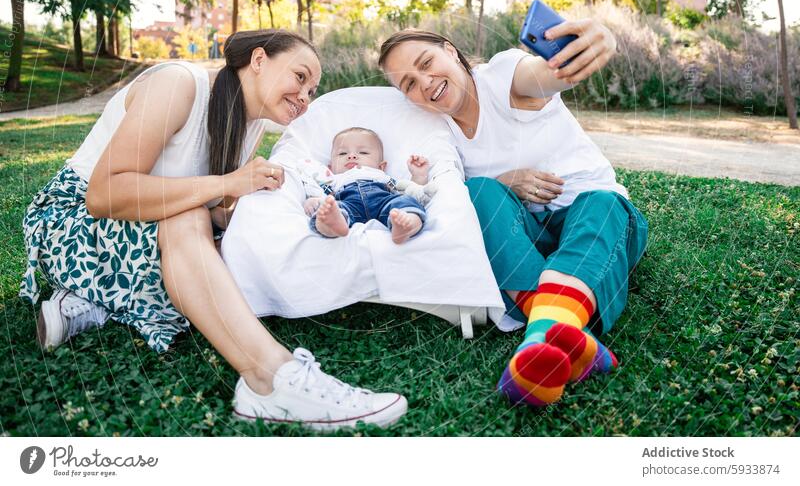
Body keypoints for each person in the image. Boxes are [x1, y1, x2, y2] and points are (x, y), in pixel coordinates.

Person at [20, 29, 408, 430]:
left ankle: (98, 299)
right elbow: (104, 194)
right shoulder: (178, 84)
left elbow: (210, 206)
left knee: (236, 247)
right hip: (73, 224)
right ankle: (271, 377)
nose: (306, 99)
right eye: (300, 77)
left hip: (140, 229)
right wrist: (227, 185)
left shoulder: (249, 126)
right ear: (259, 60)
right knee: (189, 223)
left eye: (312, 90)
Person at [378, 22, 648, 408]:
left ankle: (540, 334)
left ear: (451, 51)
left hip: (596, 222)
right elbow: (458, 197)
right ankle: (566, 334)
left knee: (599, 203)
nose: (424, 82)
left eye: (427, 62)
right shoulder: (439, 134)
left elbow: (546, 75)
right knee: (476, 193)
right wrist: (503, 181)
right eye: (408, 83)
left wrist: (588, 48)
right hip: (529, 240)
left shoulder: (502, 75)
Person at [304, 127, 429, 244]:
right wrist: (314, 201)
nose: (351, 156)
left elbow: (410, 190)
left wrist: (419, 176)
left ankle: (406, 224)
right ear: (331, 168)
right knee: (333, 208)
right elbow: (321, 193)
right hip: (348, 204)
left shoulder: (383, 177)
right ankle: (333, 224)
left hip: (383, 202)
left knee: (405, 201)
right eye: (342, 154)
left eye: (363, 152)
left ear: (381, 166)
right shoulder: (333, 179)